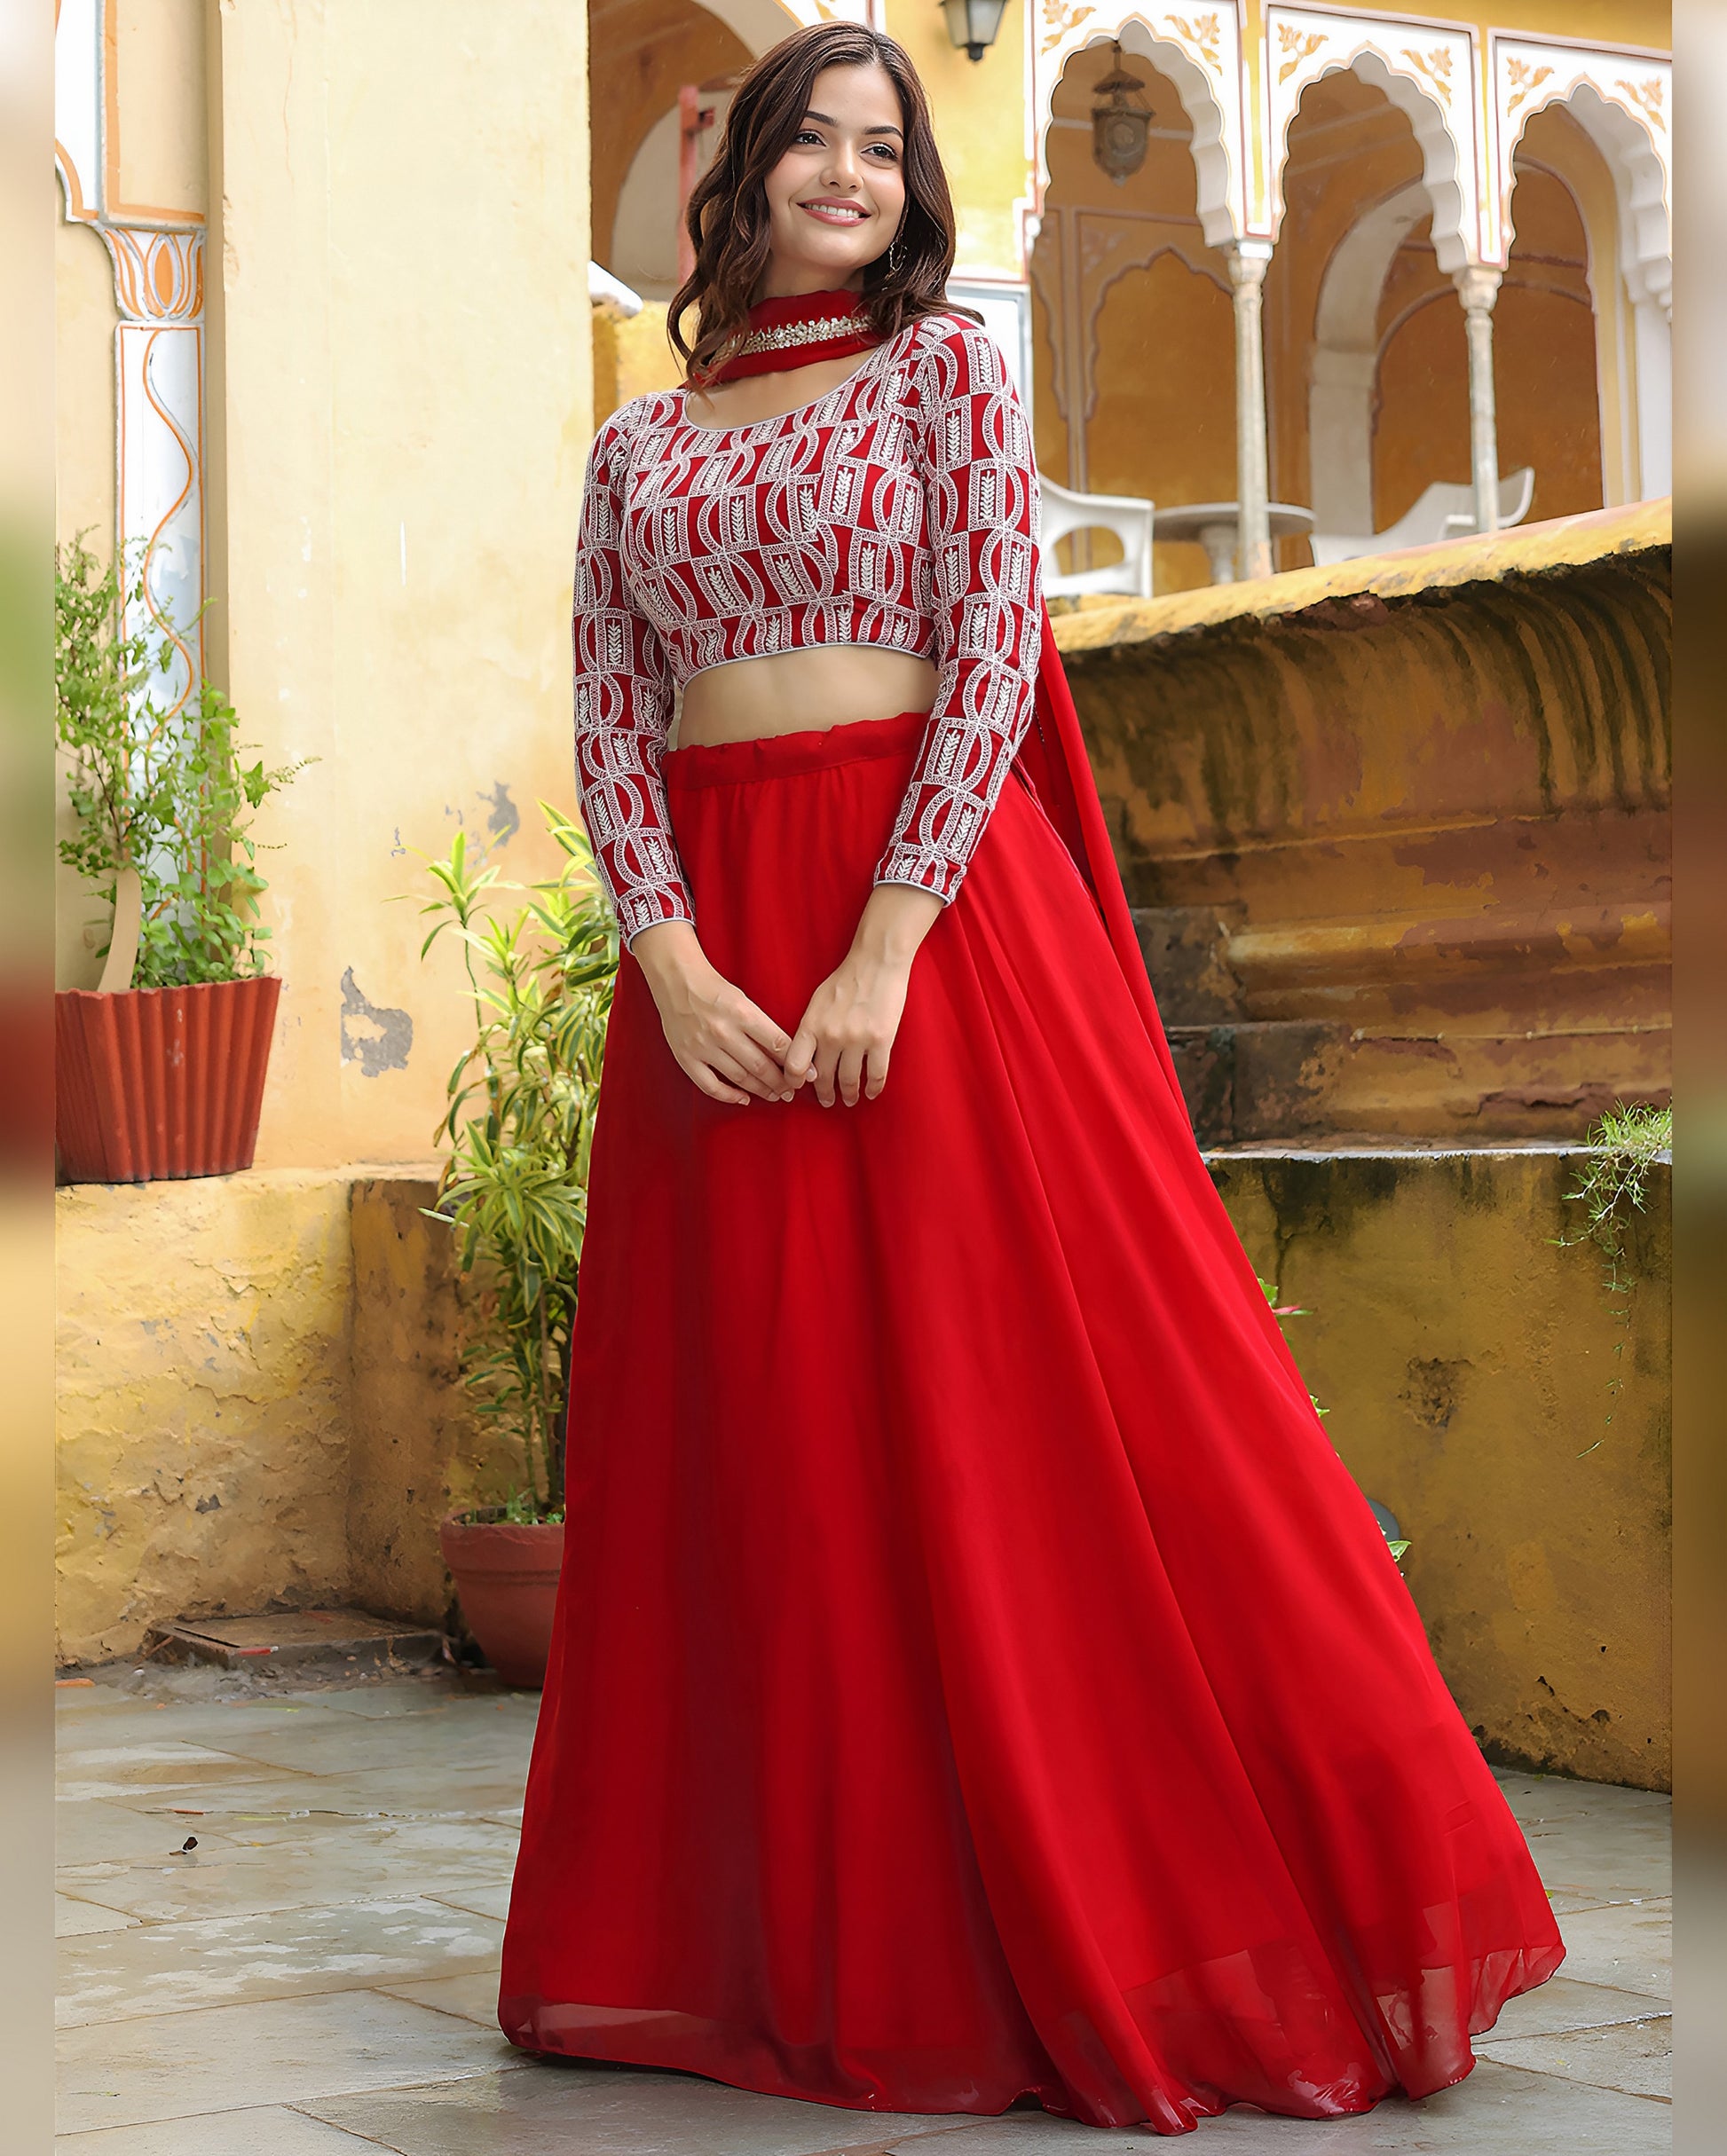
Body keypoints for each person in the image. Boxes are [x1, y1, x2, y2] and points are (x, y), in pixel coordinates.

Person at [499, 21, 1563, 2135]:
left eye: (881, 148)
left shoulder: (948, 377)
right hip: (714, 965)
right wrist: (671, 951)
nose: (848, 172)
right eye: (812, 140)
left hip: (935, 934)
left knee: (1026, 1421)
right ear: (740, 176)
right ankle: (783, 1948)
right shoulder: (640, 449)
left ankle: (1191, 1899)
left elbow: (997, 646)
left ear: (915, 187)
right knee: (770, 1449)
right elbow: (613, 706)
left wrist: (890, 936)